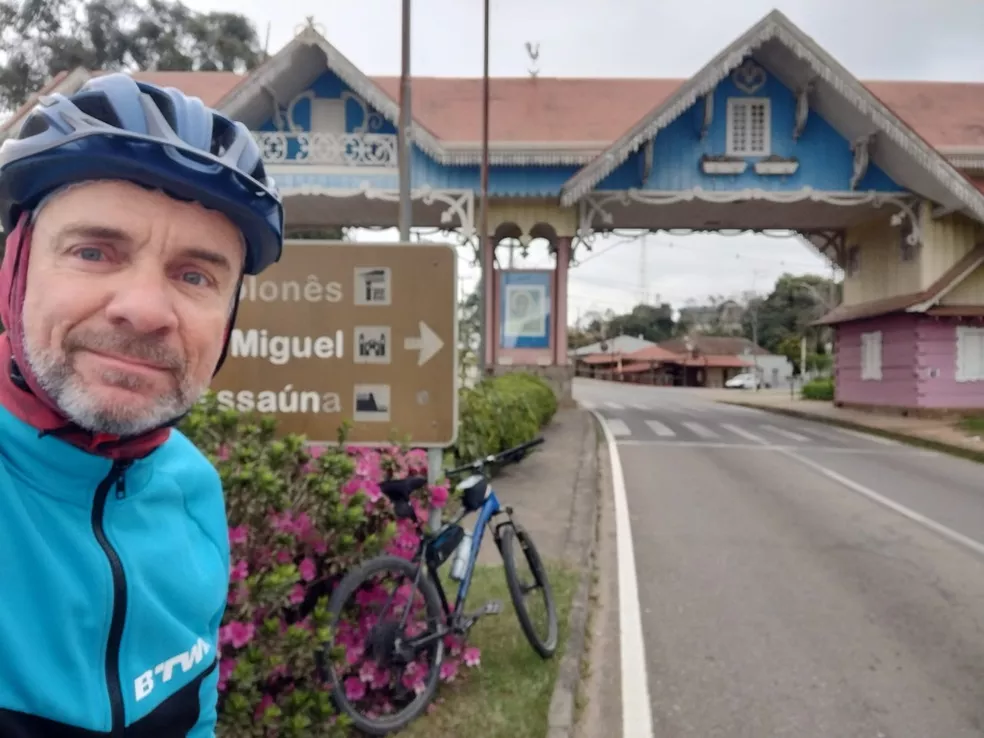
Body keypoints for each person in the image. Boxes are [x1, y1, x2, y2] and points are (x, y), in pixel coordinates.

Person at [0, 73, 284, 737]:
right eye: (94, 251)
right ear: (13, 270)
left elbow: (196, 717)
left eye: (195, 275)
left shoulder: (194, 491)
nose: (146, 310)